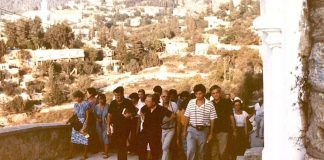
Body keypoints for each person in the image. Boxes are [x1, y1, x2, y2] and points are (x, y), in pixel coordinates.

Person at [183, 84, 217, 160]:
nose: (198, 95)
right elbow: (187, 116)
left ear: (204, 93)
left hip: (204, 131)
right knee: (190, 150)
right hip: (191, 129)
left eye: (200, 93)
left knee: (202, 152)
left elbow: (212, 119)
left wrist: (211, 134)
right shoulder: (191, 102)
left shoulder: (210, 104)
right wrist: (185, 131)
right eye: (196, 94)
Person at [138, 94, 174, 160]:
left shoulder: (161, 109)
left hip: (155, 132)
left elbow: (173, 116)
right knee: (141, 149)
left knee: (155, 151)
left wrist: (164, 122)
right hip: (145, 131)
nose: (146, 102)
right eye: (146, 100)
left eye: (148, 101)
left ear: (154, 102)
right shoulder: (145, 107)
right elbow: (141, 111)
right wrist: (142, 115)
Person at [107, 86, 137, 160]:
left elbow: (135, 112)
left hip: (126, 127)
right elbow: (109, 115)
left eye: (119, 95)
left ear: (122, 94)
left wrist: (130, 114)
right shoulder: (113, 103)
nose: (117, 97)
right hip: (116, 127)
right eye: (116, 95)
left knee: (122, 143)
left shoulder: (128, 102)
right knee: (119, 145)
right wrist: (108, 127)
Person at [209, 85, 236, 160]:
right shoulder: (210, 104)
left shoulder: (226, 102)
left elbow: (231, 116)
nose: (215, 94)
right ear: (211, 95)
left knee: (222, 152)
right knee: (214, 154)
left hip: (224, 131)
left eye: (217, 92)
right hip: (212, 132)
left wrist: (234, 130)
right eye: (213, 93)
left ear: (220, 93)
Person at [69, 91, 92, 159]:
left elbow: (88, 116)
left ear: (80, 97)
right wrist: (69, 119)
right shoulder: (76, 105)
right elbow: (75, 114)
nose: (75, 99)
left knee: (85, 138)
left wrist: (86, 125)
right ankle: (71, 154)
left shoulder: (86, 103)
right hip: (77, 122)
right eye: (75, 98)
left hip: (83, 121)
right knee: (73, 138)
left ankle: (85, 155)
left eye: (76, 97)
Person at [160, 90, 178, 160]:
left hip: (171, 129)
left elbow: (176, 117)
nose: (165, 98)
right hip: (162, 129)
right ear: (161, 97)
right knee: (165, 148)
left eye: (167, 96)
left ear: (169, 97)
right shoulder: (159, 105)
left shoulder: (174, 105)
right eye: (163, 96)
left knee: (165, 147)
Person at [94, 94, 110, 159]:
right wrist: (97, 118)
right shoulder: (96, 106)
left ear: (104, 99)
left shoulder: (108, 106)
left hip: (106, 124)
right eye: (99, 99)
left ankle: (106, 153)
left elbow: (110, 115)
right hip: (98, 124)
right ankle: (104, 150)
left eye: (102, 99)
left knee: (106, 137)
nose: (100, 100)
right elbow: (94, 114)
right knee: (101, 138)